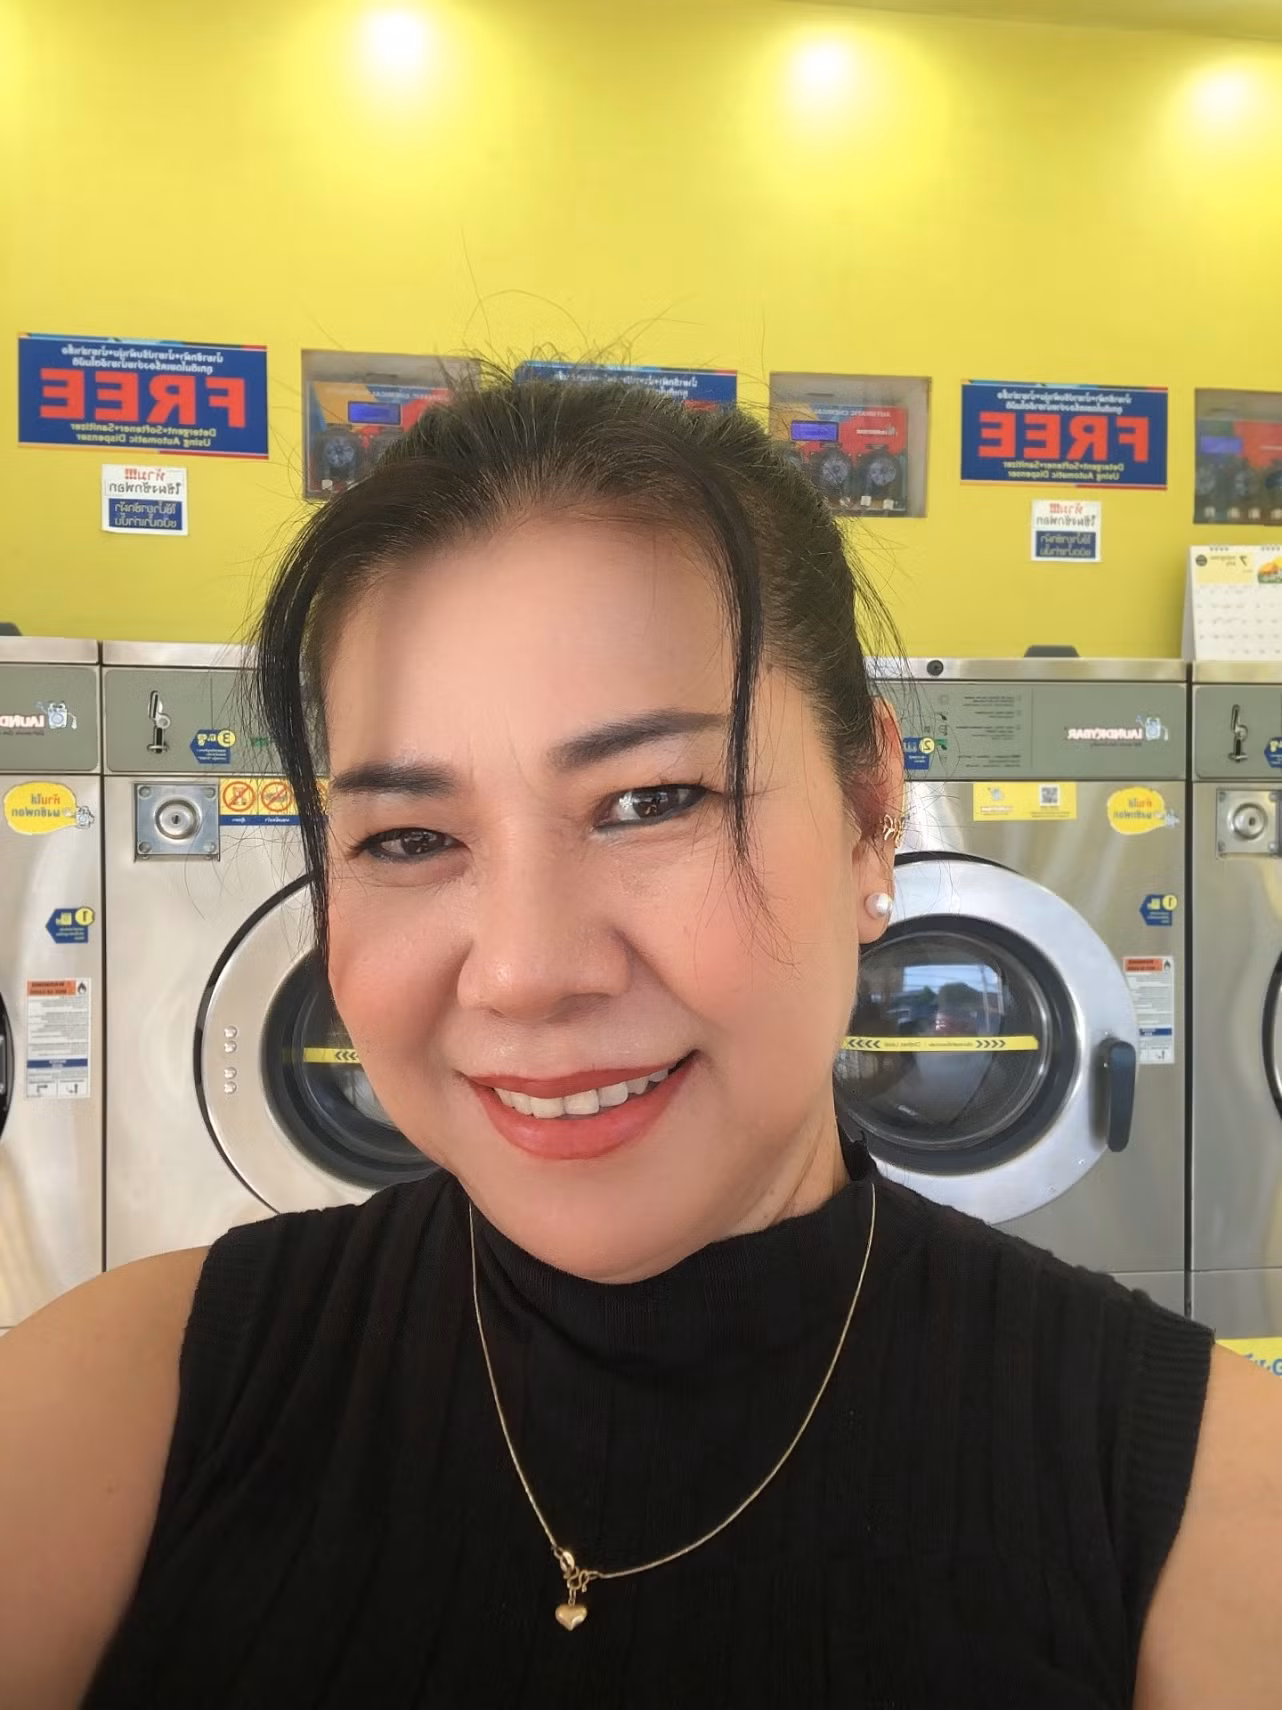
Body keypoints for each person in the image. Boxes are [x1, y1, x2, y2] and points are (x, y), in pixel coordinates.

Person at [2, 377, 1280, 1709]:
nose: (523, 971)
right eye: (409, 837)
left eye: (650, 800)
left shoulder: (1204, 1509)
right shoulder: (116, 1407)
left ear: (868, 812)